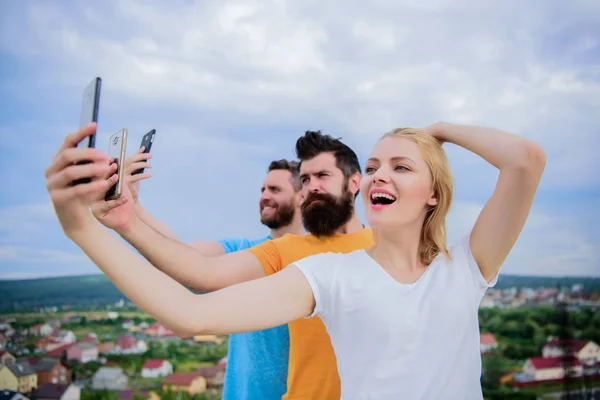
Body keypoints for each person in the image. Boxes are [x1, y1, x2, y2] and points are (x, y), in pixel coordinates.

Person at [61, 127, 376, 400]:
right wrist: (129, 216)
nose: (312, 186)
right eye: (306, 178)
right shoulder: (276, 251)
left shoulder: (388, 245)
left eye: (322, 175)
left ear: (354, 183)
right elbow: (190, 265)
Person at [94, 151, 305, 400]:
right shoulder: (243, 250)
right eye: (262, 190)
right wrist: (135, 208)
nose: (264, 196)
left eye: (274, 189)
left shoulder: (316, 261)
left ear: (302, 197)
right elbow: (183, 256)